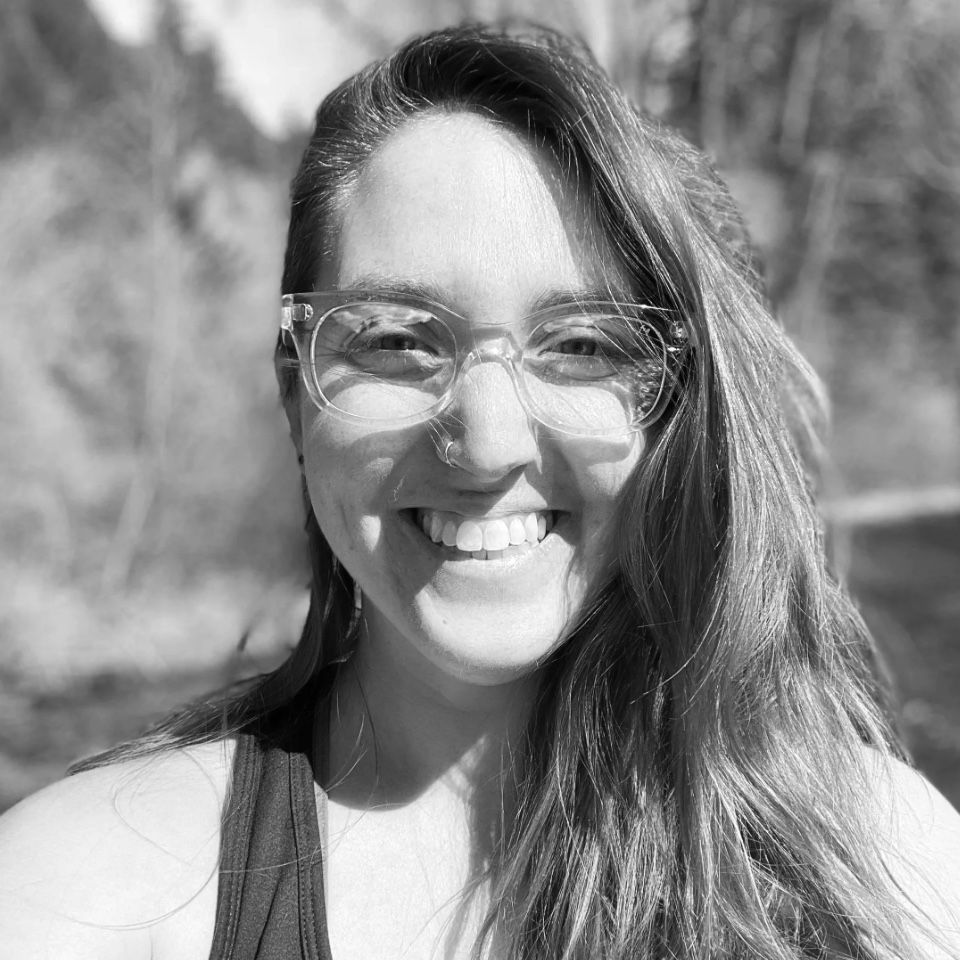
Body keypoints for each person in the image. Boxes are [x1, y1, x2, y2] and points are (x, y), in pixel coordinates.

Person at [1, 21, 958, 960]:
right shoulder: (83, 898)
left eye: (583, 344)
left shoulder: (881, 871)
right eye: (397, 339)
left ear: (679, 410)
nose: (487, 442)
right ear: (297, 395)